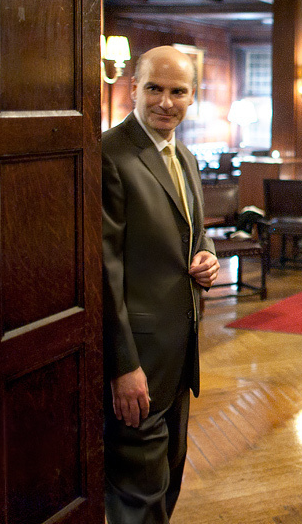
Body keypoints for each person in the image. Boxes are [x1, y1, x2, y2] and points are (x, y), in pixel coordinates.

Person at [102, 45, 220, 523]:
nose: (166, 102)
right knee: (138, 498)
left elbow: (194, 230)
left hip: (180, 352)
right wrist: (122, 365)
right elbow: (104, 270)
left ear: (192, 97)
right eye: (154, 88)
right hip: (138, 362)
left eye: (178, 92)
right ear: (133, 88)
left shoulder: (185, 155)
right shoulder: (110, 155)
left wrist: (208, 255)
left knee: (167, 481)